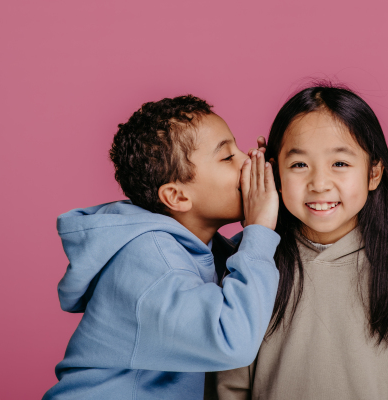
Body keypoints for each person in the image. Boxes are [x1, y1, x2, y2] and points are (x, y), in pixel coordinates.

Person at [213, 84, 388, 399]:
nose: (319, 183)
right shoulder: (251, 267)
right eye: (299, 164)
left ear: (374, 173)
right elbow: (228, 388)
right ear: (274, 172)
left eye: (340, 164)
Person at [43, 95, 280, 400]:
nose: (248, 160)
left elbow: (243, 274)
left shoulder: (188, 246)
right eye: (226, 157)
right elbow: (232, 340)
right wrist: (260, 229)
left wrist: (273, 216)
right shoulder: (151, 262)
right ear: (177, 197)